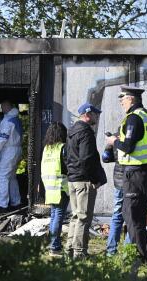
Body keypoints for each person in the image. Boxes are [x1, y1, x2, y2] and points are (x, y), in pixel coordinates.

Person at [106, 85, 147, 263]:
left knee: (131, 216)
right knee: (138, 215)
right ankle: (143, 255)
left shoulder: (133, 119)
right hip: (146, 172)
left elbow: (128, 147)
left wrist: (114, 141)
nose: (121, 102)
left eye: (123, 98)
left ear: (132, 99)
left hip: (135, 173)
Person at [65, 103, 106, 259]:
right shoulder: (86, 132)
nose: (97, 116)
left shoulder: (72, 131)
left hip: (72, 179)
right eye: (95, 114)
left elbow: (66, 156)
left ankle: (69, 250)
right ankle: (79, 253)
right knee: (83, 217)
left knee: (76, 216)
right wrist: (95, 179)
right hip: (83, 180)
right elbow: (86, 159)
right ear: (87, 114)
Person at [41, 122, 70, 256]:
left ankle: (52, 244)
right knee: (58, 216)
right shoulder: (62, 148)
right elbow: (67, 167)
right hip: (61, 186)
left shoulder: (47, 149)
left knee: (53, 216)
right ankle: (55, 246)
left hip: (50, 187)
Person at [102, 130, 131, 256]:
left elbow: (106, 158)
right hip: (131, 181)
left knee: (117, 215)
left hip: (118, 182)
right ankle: (128, 251)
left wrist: (109, 144)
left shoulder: (116, 138)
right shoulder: (132, 137)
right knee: (132, 216)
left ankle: (111, 250)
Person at [0, 100, 23, 212]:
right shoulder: (15, 118)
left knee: (2, 177)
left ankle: (1, 204)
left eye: (3, 107)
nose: (2, 109)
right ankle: (16, 202)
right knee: (12, 177)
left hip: (8, 150)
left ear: (7, 107)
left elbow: (3, 137)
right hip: (16, 150)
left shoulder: (7, 120)